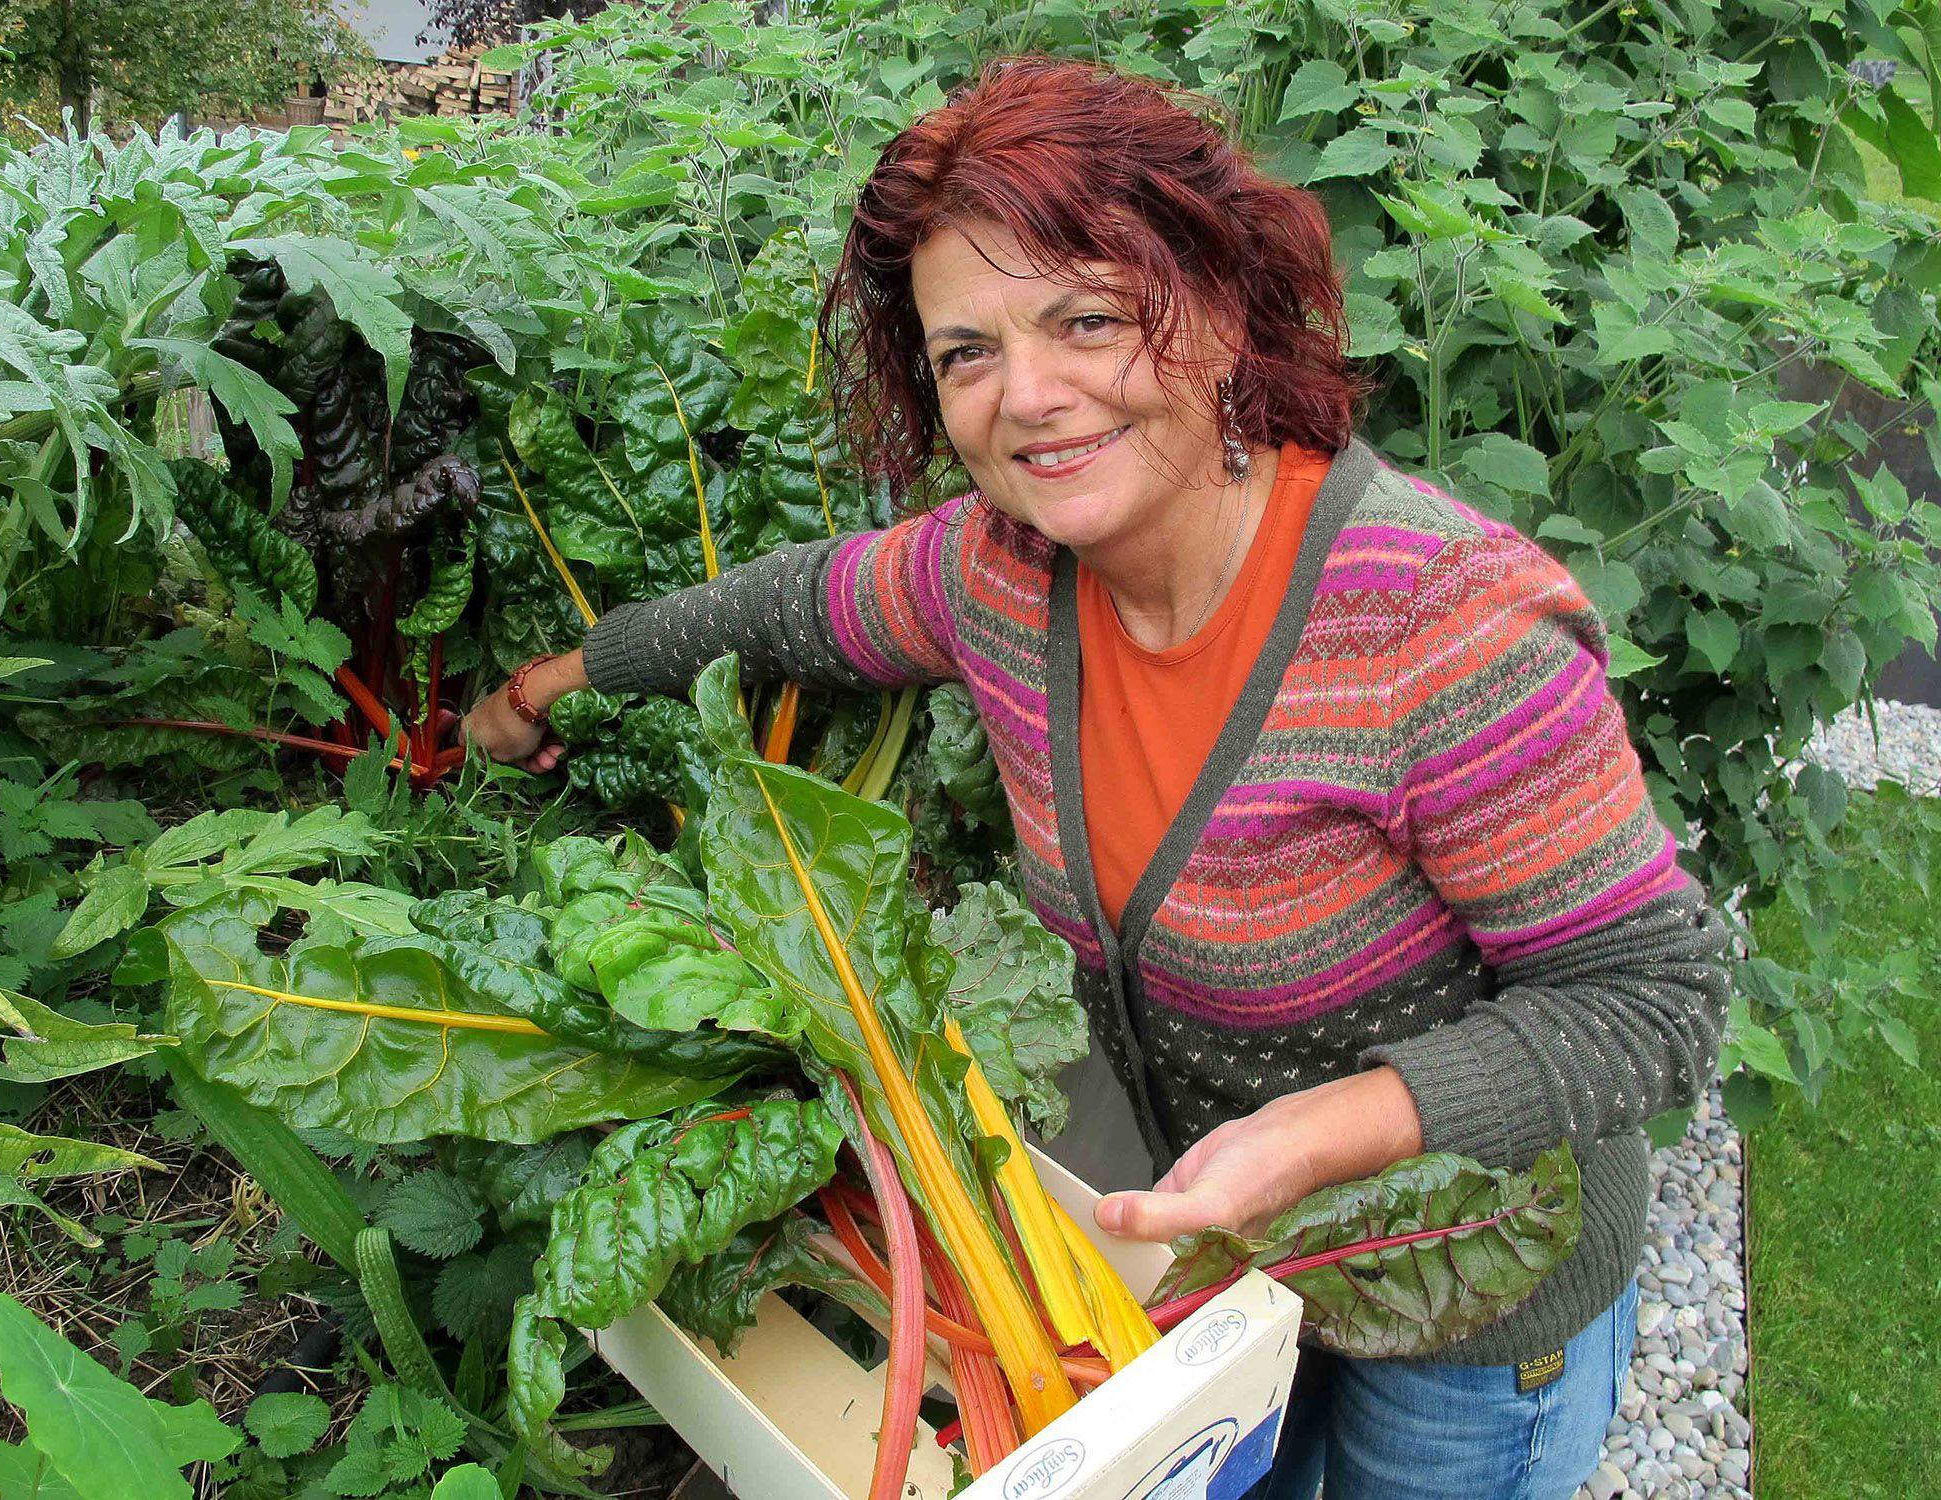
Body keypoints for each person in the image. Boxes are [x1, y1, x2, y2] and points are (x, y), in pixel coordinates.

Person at [464, 56, 1733, 1500]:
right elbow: (784, 609)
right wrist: (554, 682)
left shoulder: (1436, 626)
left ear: (1218, 307)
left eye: (1087, 319)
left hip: (1476, 1284)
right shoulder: (998, 576)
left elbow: (1653, 1001)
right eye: (967, 353)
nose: (1030, 397)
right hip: (1227, 1258)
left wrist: (1320, 1135)